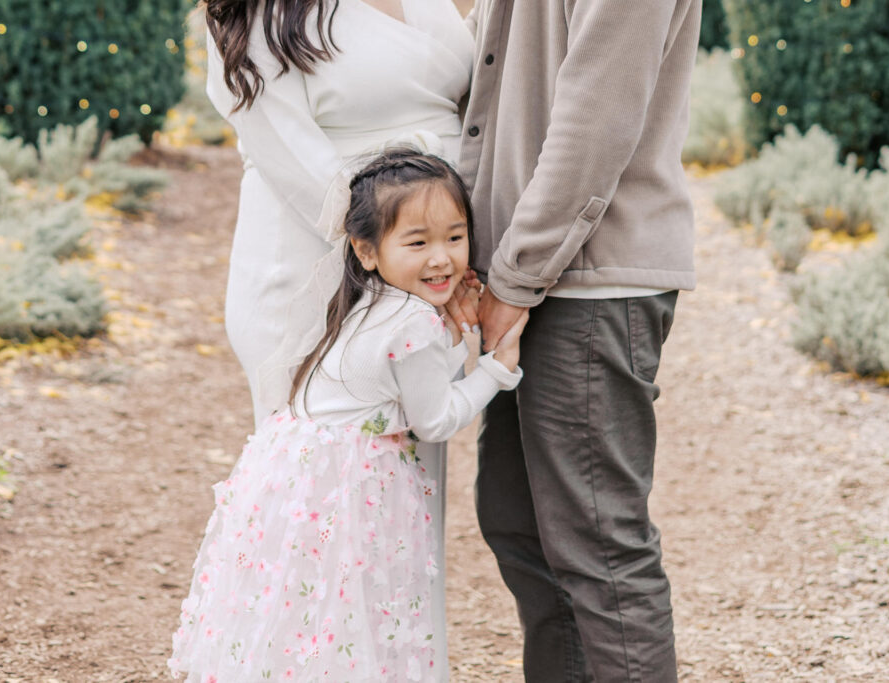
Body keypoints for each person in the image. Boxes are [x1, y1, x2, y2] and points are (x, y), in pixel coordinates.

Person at [168, 149, 526, 682]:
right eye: (418, 241)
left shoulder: (372, 301)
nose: (441, 259)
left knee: (306, 615)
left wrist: (462, 335)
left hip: (298, 474)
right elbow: (435, 420)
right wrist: (496, 369)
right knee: (357, 610)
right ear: (366, 250)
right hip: (346, 487)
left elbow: (405, 381)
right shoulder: (414, 323)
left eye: (455, 237)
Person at [201, 0, 475, 665]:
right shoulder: (265, 12)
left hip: (416, 263)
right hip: (314, 264)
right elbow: (286, 146)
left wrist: (441, 253)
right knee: (317, 519)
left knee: (401, 509)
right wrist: (393, 242)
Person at [455, 1, 701, 681]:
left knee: (599, 549)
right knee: (519, 524)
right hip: (533, 274)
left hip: (587, 279)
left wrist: (512, 276)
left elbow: (596, 119)